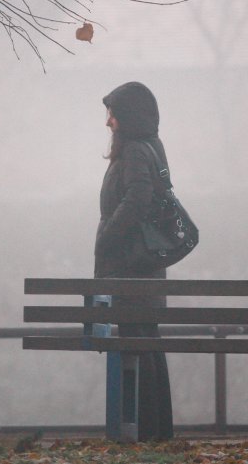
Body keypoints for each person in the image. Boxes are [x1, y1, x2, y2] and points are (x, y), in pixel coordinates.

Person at [94, 81, 174, 441]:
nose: (108, 122)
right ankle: (152, 429)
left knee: (137, 344)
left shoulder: (136, 152)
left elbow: (138, 198)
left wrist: (109, 236)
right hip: (144, 269)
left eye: (113, 113)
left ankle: (139, 430)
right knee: (146, 344)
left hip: (131, 268)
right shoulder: (148, 148)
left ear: (127, 116)